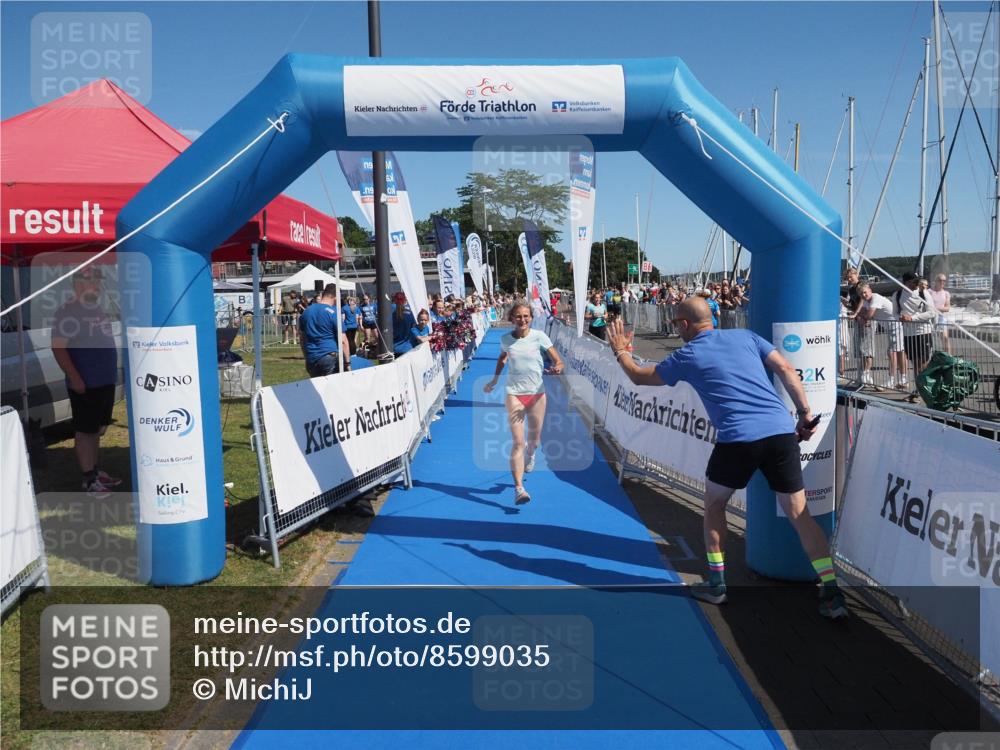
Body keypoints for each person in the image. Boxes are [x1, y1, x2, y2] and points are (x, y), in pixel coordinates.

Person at [607, 299, 847, 619]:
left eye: (676, 324)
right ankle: (830, 590)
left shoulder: (688, 354)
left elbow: (639, 376)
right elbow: (787, 368)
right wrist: (804, 413)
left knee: (715, 505)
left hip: (737, 440)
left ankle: (718, 584)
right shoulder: (745, 336)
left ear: (683, 325)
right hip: (780, 432)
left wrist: (621, 351)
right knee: (800, 515)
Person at [51, 266, 122, 498]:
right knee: (85, 430)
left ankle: (96, 471)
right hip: (86, 383)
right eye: (95, 282)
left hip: (104, 380)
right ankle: (89, 479)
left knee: (97, 429)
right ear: (80, 283)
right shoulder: (68, 312)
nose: (99, 286)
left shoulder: (96, 308)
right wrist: (75, 377)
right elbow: (59, 348)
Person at [483, 302, 564, 505]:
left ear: (531, 317)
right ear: (512, 318)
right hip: (514, 394)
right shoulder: (505, 339)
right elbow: (502, 359)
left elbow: (558, 360)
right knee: (518, 442)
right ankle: (519, 489)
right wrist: (494, 380)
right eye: (518, 316)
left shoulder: (540, 337)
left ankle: (531, 453)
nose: (523, 320)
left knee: (533, 441)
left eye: (526, 316)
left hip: (537, 394)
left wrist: (558, 367)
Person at [896, 272, 938, 402]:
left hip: (923, 332)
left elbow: (932, 312)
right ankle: (919, 389)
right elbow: (894, 314)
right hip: (908, 334)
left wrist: (912, 318)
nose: (916, 284)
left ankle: (925, 390)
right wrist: (901, 317)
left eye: (917, 281)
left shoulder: (924, 293)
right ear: (906, 282)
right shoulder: (897, 295)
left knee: (923, 364)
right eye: (914, 282)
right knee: (915, 364)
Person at [299, 284, 351, 376]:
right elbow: (343, 341)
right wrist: (347, 363)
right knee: (332, 388)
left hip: (312, 358)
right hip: (329, 356)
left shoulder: (306, 312)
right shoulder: (333, 313)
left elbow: (302, 339)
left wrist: (307, 356)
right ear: (336, 297)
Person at [928, 273, 951, 354]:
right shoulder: (929, 291)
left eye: (944, 280)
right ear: (936, 281)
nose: (942, 282)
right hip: (931, 317)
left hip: (941, 317)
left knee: (945, 338)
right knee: (930, 338)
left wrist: (935, 308)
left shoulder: (946, 293)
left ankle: (948, 357)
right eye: (940, 280)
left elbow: (947, 308)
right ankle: (930, 357)